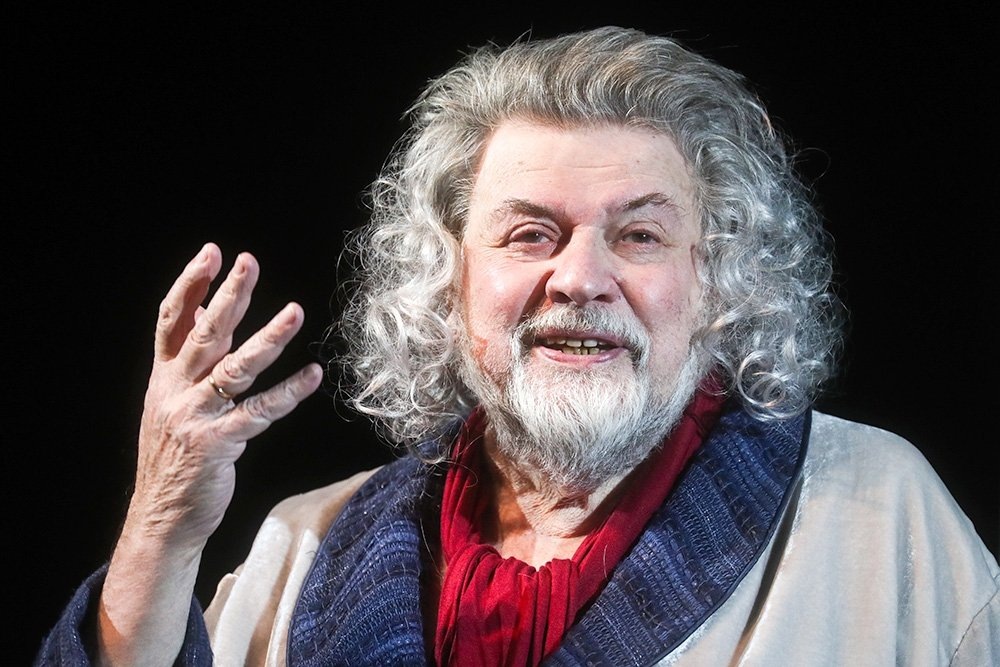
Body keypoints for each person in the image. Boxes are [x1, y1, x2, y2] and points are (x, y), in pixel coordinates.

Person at [37, 26, 998, 666]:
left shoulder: (881, 515)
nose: (580, 277)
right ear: (447, 278)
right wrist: (161, 528)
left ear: (717, 280)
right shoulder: (304, 542)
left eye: (640, 234)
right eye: (530, 233)